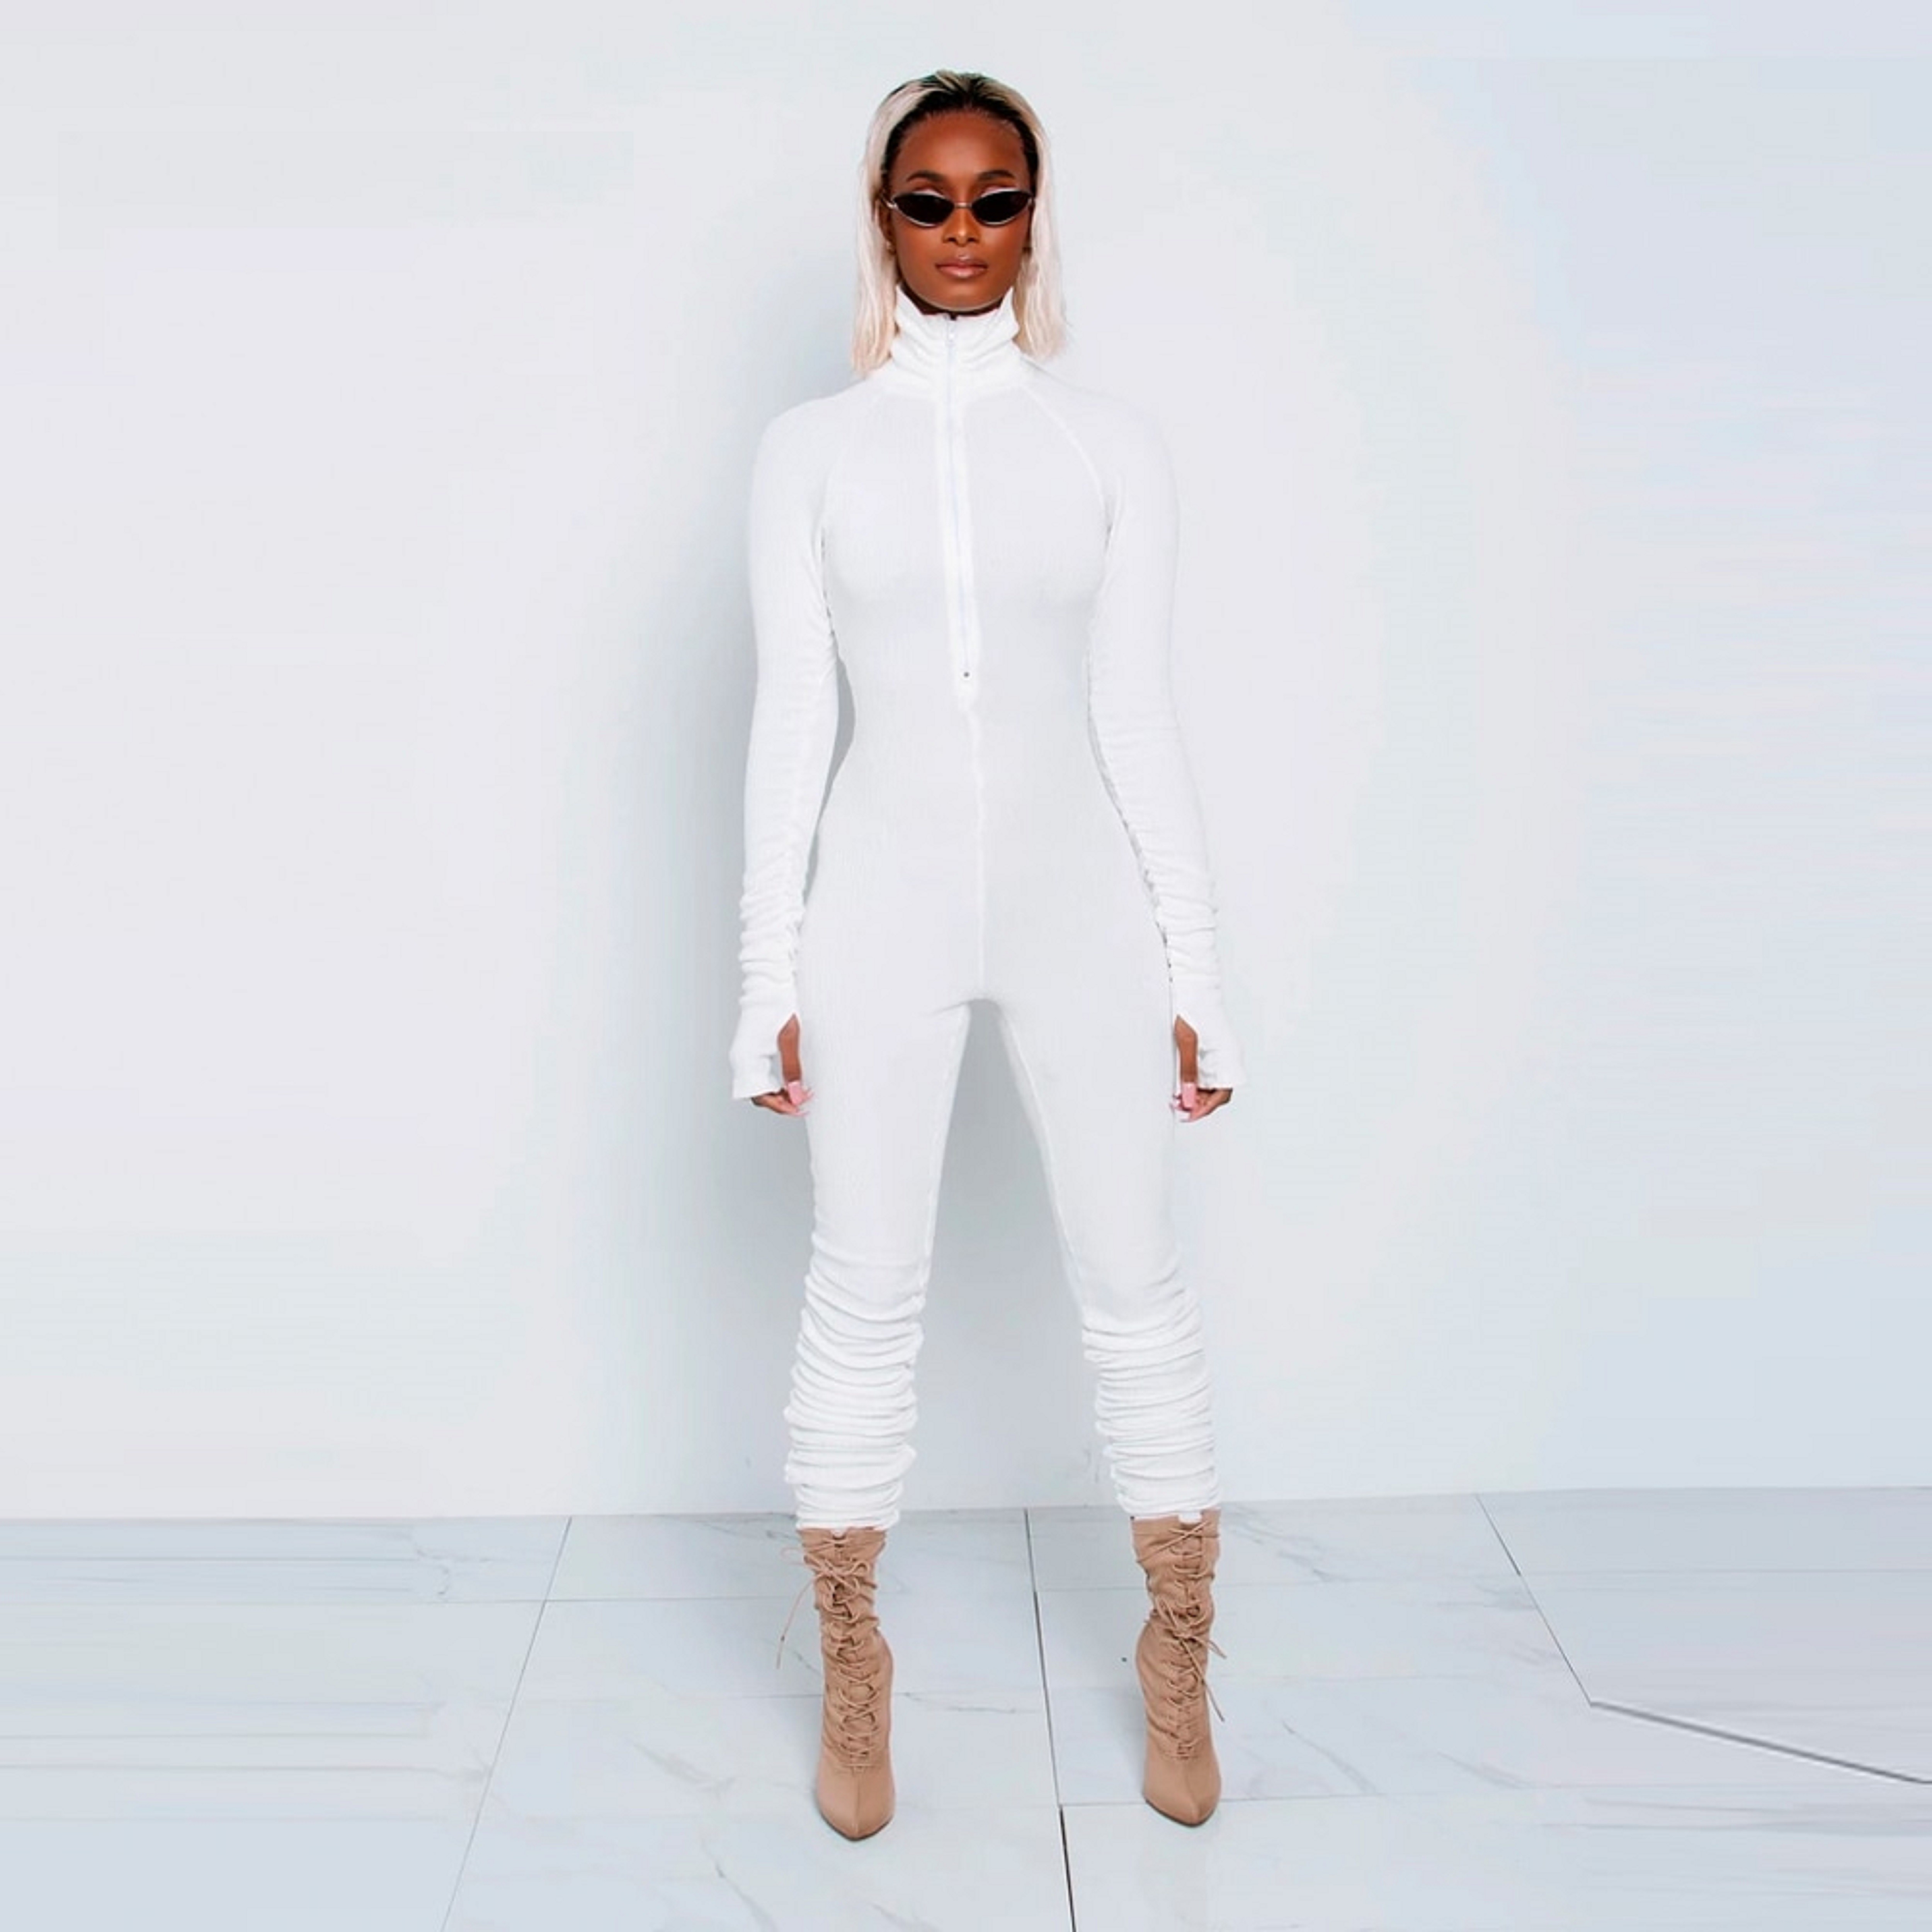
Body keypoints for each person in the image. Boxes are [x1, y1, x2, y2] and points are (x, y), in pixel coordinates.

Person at [729, 69, 1245, 1840]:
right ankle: (849, 1655)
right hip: (872, 910)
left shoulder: (1108, 447)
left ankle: (1177, 1641)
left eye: (994, 198)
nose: (962, 232)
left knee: (1133, 1278)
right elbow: (789, 724)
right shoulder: (808, 451)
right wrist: (763, 977)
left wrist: (1195, 972)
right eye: (927, 200)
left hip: (1075, 904)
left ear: (1034, 215)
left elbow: (1137, 716)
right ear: (880, 219)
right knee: (861, 1285)